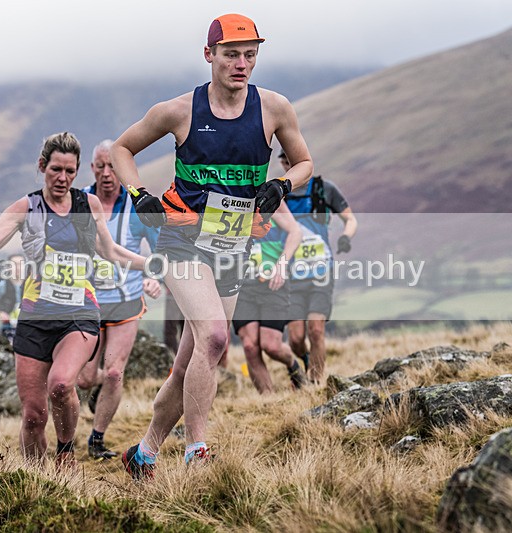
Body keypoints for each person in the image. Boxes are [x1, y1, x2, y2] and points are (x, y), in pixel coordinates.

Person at [112, 13, 313, 479]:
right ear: (209, 55)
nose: (241, 64)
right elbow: (123, 149)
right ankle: (197, 450)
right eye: (231, 55)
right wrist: (139, 194)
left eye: (250, 55)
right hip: (181, 239)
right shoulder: (179, 111)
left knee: (193, 361)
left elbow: (304, 162)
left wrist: (281, 185)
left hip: (232, 244)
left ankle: (143, 454)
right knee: (217, 337)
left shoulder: (274, 108)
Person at [0, 132, 146, 469]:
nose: (63, 178)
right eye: (56, 170)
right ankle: (36, 481)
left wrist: (150, 264)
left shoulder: (88, 205)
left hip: (80, 313)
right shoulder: (27, 207)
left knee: (62, 384)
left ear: (78, 171)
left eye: (70, 171)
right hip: (35, 317)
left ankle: (65, 452)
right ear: (42, 166)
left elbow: (110, 251)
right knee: (33, 415)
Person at [74, 139, 161, 461]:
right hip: (88, 301)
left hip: (127, 299)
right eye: (101, 166)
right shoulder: (79, 201)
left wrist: (155, 278)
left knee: (114, 373)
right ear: (92, 168)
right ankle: (97, 386)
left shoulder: (136, 205)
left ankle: (96, 440)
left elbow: (160, 248)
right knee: (84, 379)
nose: (107, 173)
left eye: (113, 166)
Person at [281, 150, 358, 383]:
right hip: (291, 277)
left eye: (291, 160)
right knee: (295, 339)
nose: (288, 165)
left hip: (321, 273)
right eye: (284, 161)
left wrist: (345, 237)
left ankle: (315, 384)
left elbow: (350, 219)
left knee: (316, 330)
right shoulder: (279, 193)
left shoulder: (324, 189)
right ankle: (306, 360)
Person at [232, 200, 306, 393]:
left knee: (271, 346)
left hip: (273, 282)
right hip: (240, 284)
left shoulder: (268, 196)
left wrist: (282, 264)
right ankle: (269, 400)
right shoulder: (225, 194)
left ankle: (293, 364)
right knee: (250, 346)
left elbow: (296, 232)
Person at [0, 253, 26, 345]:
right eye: (14, 264)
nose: (18, 267)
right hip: (7, 327)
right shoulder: (2, 285)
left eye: (20, 264)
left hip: (25, 326)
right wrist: (0, 313)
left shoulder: (30, 285)